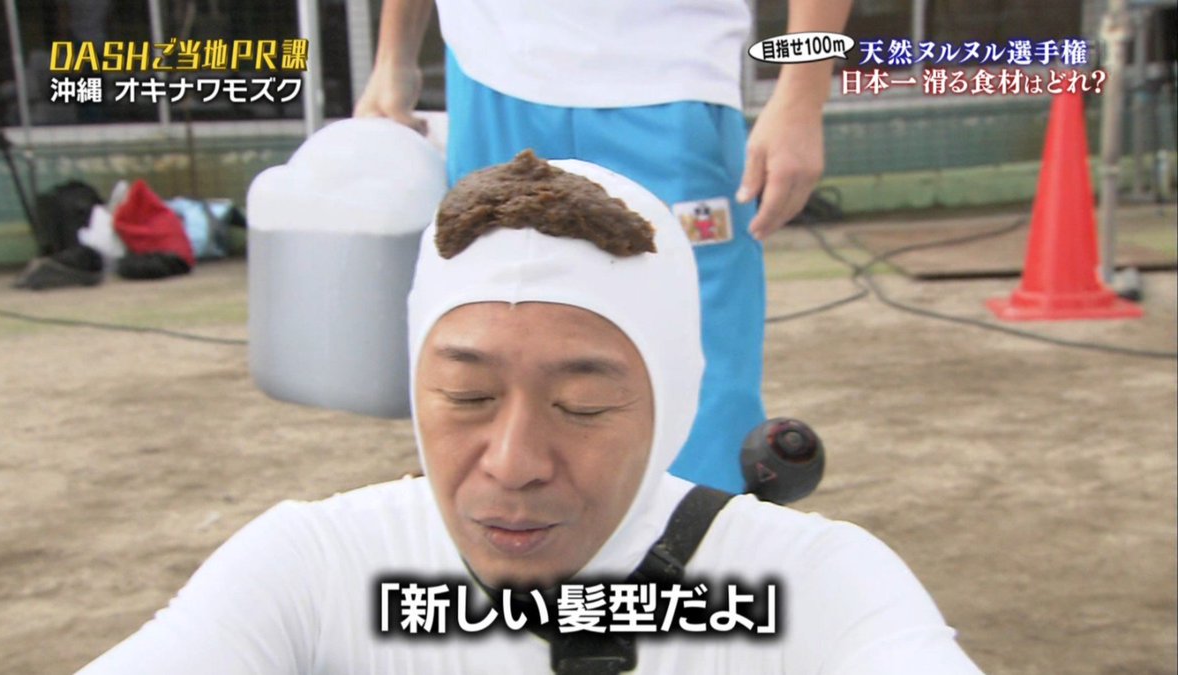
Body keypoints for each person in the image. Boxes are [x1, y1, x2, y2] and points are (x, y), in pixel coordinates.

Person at [78, 153, 983, 674]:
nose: (512, 461)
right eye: (466, 396)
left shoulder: (814, 583)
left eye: (582, 404)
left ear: (674, 397)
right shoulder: (313, 569)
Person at [354, 0, 853, 494]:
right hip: (488, 70)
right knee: (488, 345)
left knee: (699, 361)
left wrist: (803, 93)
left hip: (670, 77)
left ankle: (694, 536)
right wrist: (394, 57)